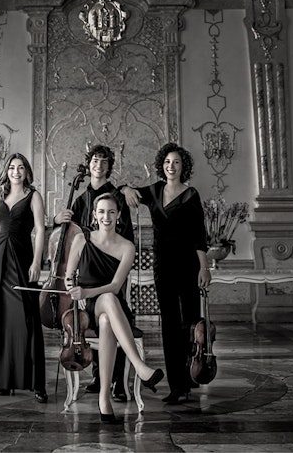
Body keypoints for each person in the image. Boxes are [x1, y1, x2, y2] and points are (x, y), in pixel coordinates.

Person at [120, 142, 210, 405]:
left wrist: (204, 267)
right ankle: (177, 386)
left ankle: (192, 376)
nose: (171, 166)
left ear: (184, 167)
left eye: (177, 162)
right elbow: (124, 191)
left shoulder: (191, 195)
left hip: (188, 266)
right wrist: (126, 188)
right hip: (163, 266)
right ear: (162, 165)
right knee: (169, 324)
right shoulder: (154, 191)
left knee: (190, 322)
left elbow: (198, 235)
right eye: (168, 162)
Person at [64, 193, 165, 423]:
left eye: (111, 211)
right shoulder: (81, 239)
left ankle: (104, 400)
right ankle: (139, 367)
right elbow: (68, 277)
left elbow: (116, 285)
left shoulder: (127, 246)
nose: (106, 216)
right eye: (101, 211)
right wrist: (74, 290)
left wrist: (88, 291)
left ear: (119, 215)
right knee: (108, 302)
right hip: (84, 307)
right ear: (94, 215)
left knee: (108, 311)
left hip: (112, 306)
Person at [51, 145, 135, 402]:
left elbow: (126, 236)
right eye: (94, 161)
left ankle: (118, 382)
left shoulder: (116, 196)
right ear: (88, 165)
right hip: (86, 272)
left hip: (110, 269)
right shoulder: (80, 199)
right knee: (102, 319)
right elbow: (69, 235)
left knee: (112, 310)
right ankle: (101, 378)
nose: (98, 165)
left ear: (109, 166)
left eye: (103, 161)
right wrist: (56, 220)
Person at [0, 153, 48, 403]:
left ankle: (37, 383)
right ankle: (4, 380)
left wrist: (38, 261)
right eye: (11, 167)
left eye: (20, 168)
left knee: (26, 319)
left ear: (27, 171)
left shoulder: (33, 196)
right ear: (6, 171)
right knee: (0, 320)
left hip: (22, 259)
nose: (15, 171)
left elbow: (40, 230)